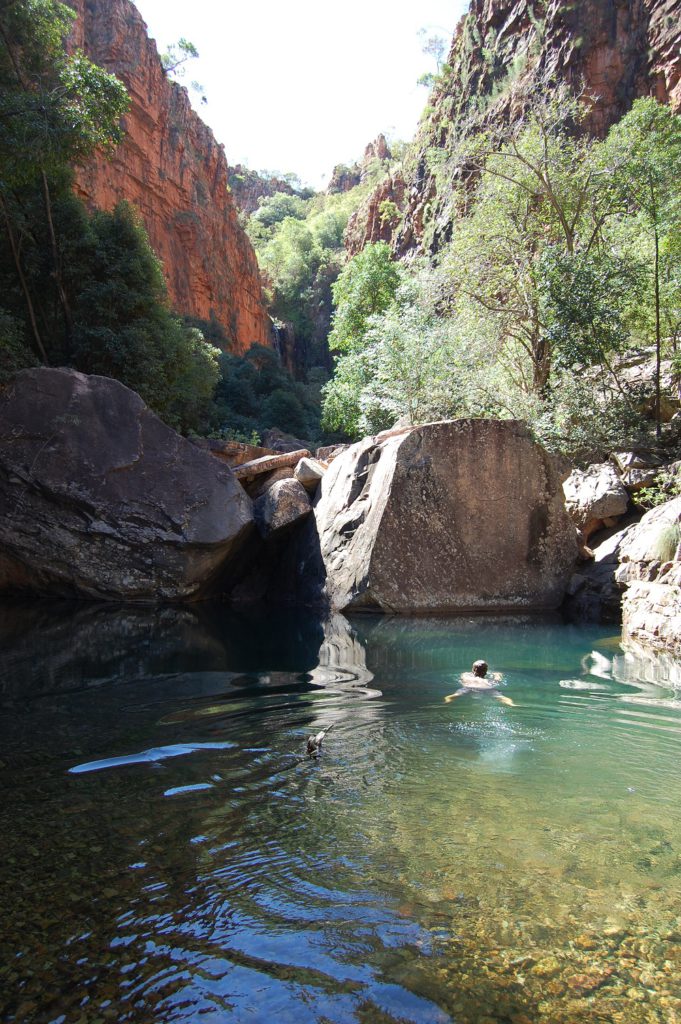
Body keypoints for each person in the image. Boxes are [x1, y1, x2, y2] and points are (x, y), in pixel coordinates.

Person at [444, 659, 514, 706]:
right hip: (486, 687)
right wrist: (498, 674)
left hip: (469, 686)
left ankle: (448, 700)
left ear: (473, 670)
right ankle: (511, 704)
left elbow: (462, 678)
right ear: (486, 671)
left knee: (456, 695)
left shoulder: (465, 675)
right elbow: (498, 680)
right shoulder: (486, 680)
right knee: (500, 697)